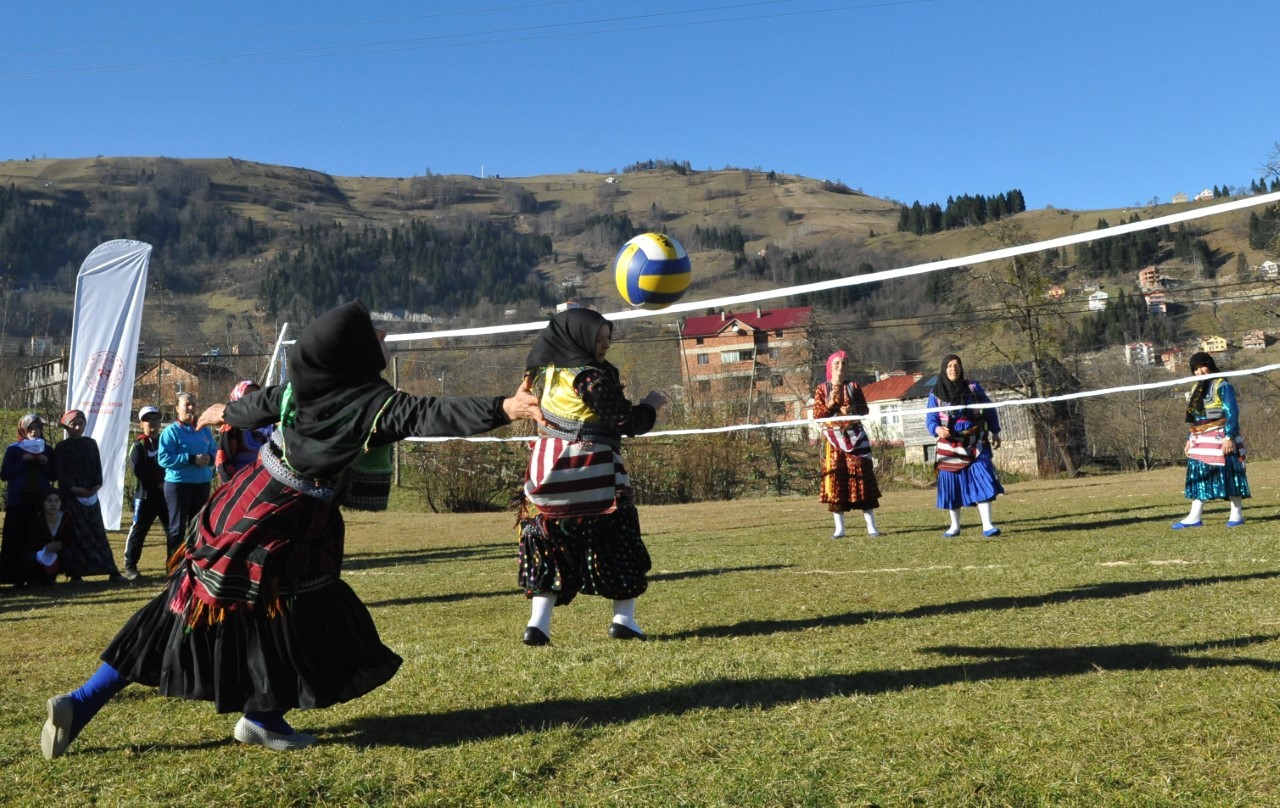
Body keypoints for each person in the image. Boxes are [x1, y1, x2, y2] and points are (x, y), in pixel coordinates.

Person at [39, 300, 544, 758]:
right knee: (304, 614)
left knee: (192, 607)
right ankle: (258, 717)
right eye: (374, 334)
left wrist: (224, 412)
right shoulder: (367, 403)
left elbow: (255, 405)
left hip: (246, 501)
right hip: (285, 520)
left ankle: (88, 702)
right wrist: (505, 407)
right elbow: (432, 413)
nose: (383, 338)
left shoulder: (305, 387)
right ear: (351, 351)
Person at [517, 308, 665, 646]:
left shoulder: (550, 371)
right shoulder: (590, 378)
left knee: (551, 547)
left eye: (608, 338)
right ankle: (624, 621)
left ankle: (538, 625)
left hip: (548, 477)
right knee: (620, 542)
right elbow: (625, 421)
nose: (605, 345)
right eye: (599, 339)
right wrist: (650, 407)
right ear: (580, 339)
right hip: (594, 476)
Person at [925, 354, 1004, 537]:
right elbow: (931, 418)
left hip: (975, 440)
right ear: (944, 369)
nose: (953, 369)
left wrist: (995, 431)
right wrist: (937, 429)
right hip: (949, 444)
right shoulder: (935, 394)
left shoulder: (973, 387)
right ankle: (955, 526)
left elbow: (989, 409)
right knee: (951, 483)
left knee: (982, 476)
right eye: (949, 366)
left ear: (961, 368)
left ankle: (987, 526)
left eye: (956, 365)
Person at [1173, 352, 1250, 528]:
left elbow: (1232, 412)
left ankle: (1236, 515)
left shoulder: (1222, 385)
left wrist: (1229, 437)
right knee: (1199, 476)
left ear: (1210, 365)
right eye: (1195, 369)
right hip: (1200, 439)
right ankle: (1194, 516)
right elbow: (1195, 417)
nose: (1199, 371)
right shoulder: (1195, 388)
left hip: (1221, 436)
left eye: (1202, 366)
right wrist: (1190, 439)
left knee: (1231, 473)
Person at [812, 350, 881, 538]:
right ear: (830, 367)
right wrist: (831, 406)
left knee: (863, 479)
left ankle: (871, 526)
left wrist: (852, 409)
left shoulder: (854, 386)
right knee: (836, 480)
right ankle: (840, 528)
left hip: (855, 438)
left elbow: (864, 410)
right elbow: (818, 415)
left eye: (844, 364)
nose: (840, 367)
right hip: (834, 440)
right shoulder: (822, 389)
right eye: (837, 363)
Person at [55, 410, 122, 582]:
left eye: (81, 423)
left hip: (91, 495)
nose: (78, 427)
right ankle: (76, 574)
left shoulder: (91, 443)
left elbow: (97, 466)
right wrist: (74, 488)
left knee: (98, 533)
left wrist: (97, 484)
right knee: (76, 535)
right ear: (67, 427)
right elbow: (60, 472)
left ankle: (110, 569)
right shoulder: (62, 447)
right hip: (72, 496)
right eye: (73, 424)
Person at [158, 392, 217, 560]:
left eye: (194, 404)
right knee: (177, 528)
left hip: (202, 484)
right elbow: (163, 459)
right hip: (179, 485)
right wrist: (190, 459)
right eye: (187, 404)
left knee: (198, 527)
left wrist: (209, 458)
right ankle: (174, 566)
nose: (191, 407)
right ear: (177, 408)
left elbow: (215, 450)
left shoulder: (204, 430)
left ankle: (194, 565)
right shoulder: (170, 432)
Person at [1, 414, 56, 587]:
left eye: (37, 428)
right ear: (23, 429)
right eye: (30, 428)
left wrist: (45, 463)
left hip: (40, 500)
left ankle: (39, 577)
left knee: (38, 538)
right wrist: (23, 463)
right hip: (18, 500)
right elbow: (4, 474)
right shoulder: (14, 449)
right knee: (15, 538)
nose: (34, 431)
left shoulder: (46, 449)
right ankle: (14, 578)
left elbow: (53, 475)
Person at [121, 406, 169, 581]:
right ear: (141, 424)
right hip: (145, 495)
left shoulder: (167, 441)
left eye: (156, 418)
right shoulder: (138, 445)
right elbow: (138, 470)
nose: (153, 422)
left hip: (167, 495)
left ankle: (174, 565)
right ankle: (131, 567)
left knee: (173, 531)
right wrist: (158, 484)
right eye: (148, 419)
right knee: (139, 530)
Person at [214, 380, 272, 483]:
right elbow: (223, 459)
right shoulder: (233, 425)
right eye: (247, 396)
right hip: (239, 482)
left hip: (262, 481)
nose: (252, 400)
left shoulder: (267, 425)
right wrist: (232, 485)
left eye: (255, 396)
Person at [23, 490, 66, 587]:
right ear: (43, 503)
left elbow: (69, 539)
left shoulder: (66, 517)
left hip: (57, 551)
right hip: (39, 551)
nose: (53, 504)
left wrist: (61, 545)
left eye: (56, 501)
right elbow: (30, 542)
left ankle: (51, 578)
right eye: (49, 501)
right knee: (30, 557)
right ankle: (35, 579)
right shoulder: (35, 518)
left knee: (67, 555)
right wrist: (46, 546)